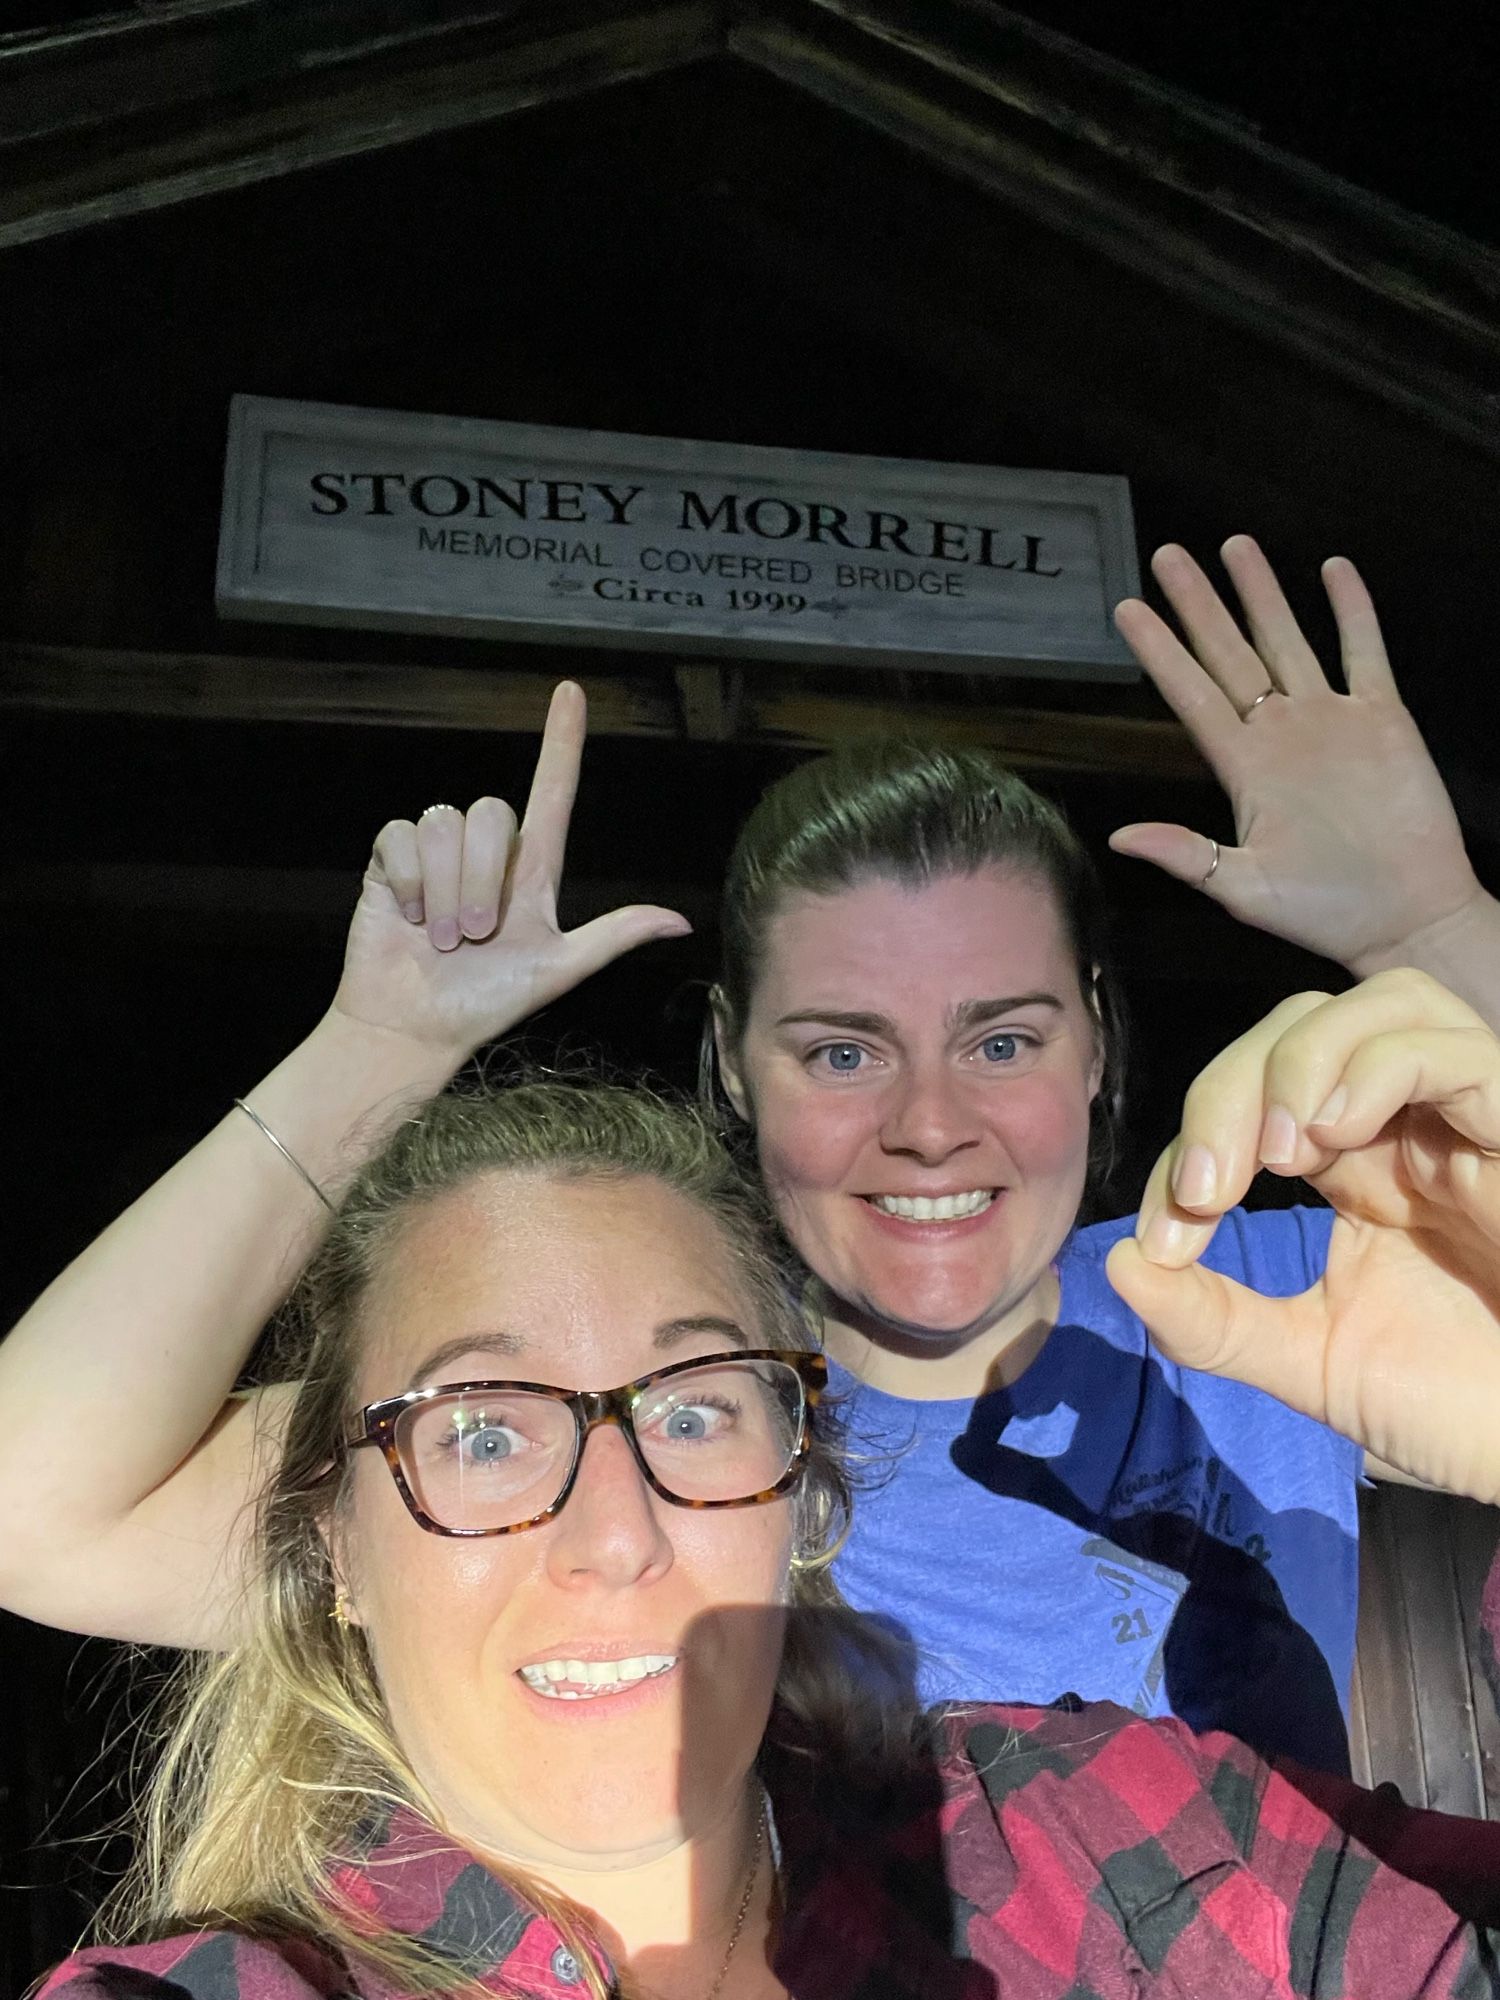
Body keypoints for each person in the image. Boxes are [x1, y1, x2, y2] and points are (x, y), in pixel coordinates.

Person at [3, 539, 1499, 1771]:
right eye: (842, 1051)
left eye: (1003, 1040)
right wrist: (371, 1055)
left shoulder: (1274, 1297)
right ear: (733, 1062)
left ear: (1100, 1045)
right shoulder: (628, 1410)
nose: (928, 1122)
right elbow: (36, 1512)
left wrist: (1439, 932)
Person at [31, 970, 1500, 2000]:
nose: (616, 1536)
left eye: (693, 1411)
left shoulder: (1128, 1837)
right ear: (338, 1542)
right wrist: (368, 1045)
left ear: (806, 1488)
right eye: (485, 1430)